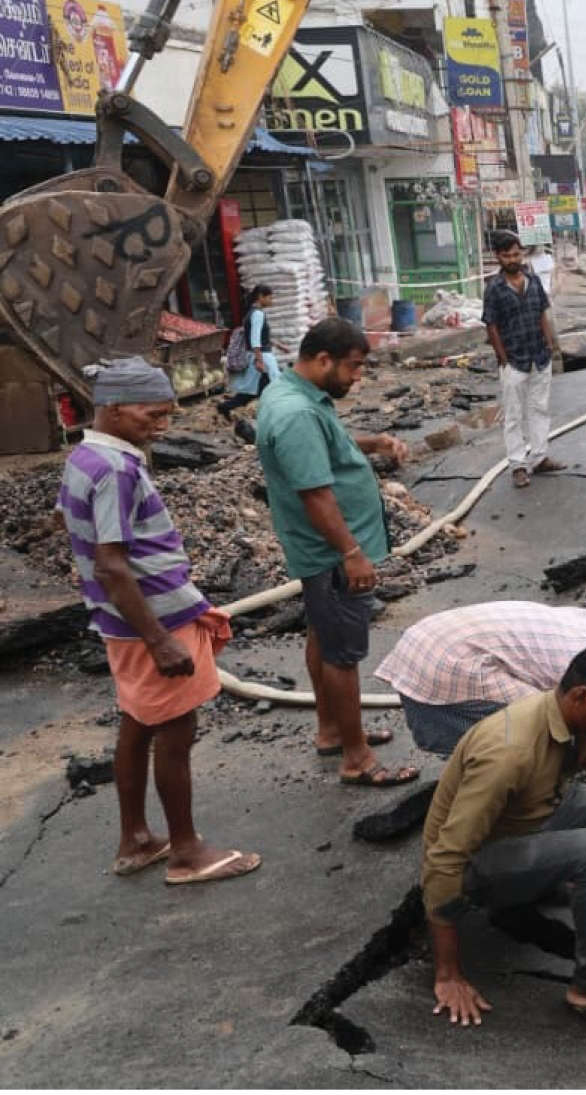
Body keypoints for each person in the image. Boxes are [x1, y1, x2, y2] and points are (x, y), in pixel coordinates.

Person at [58, 357, 262, 886]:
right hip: (153, 623)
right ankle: (187, 851)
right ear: (114, 408)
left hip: (122, 621)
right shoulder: (117, 471)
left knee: (139, 722)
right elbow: (111, 564)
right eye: (153, 413)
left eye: (167, 413)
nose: (164, 425)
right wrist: (160, 641)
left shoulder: (84, 457)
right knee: (176, 730)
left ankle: (137, 839)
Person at [420, 644, 586, 1039]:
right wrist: (448, 973)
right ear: (581, 695)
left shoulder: (573, 716)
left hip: (538, 815)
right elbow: (446, 857)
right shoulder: (508, 753)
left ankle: (556, 875)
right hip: (481, 863)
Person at [255, 318, 417, 787]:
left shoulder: (292, 395)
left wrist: (374, 442)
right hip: (330, 553)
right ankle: (357, 758)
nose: (357, 377)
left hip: (321, 551)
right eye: (353, 367)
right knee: (343, 654)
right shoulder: (297, 414)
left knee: (323, 637)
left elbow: (323, 450)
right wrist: (351, 552)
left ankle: (331, 731)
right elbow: (316, 494)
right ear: (323, 359)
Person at [375, 602, 586, 765]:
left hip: (424, 639)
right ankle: (493, 783)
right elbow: (570, 718)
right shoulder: (582, 658)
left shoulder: (581, 619)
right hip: (445, 662)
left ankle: (482, 774)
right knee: (537, 723)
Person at [483, 232, 566, 490]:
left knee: (539, 408)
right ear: (498, 256)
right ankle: (518, 465)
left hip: (539, 355)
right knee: (514, 415)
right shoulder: (494, 288)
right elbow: (491, 325)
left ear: (522, 254)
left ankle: (539, 457)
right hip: (514, 360)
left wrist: (550, 343)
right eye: (507, 255)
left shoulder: (532, 280)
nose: (512, 259)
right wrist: (503, 359)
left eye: (516, 254)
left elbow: (542, 312)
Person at [216, 286, 282, 419]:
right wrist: (259, 360)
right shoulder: (258, 314)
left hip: (259, 356)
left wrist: (278, 345)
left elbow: (257, 336)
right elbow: (255, 339)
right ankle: (271, 416)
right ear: (260, 296)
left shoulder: (251, 312)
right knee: (271, 388)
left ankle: (226, 406)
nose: (272, 300)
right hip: (262, 357)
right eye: (269, 297)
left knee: (255, 391)